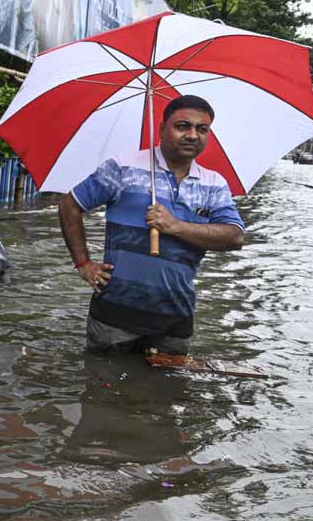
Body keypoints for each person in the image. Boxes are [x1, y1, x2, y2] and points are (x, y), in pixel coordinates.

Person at [58, 95, 245, 355]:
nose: (192, 135)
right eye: (183, 126)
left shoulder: (213, 184)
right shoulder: (123, 167)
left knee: (166, 393)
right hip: (114, 315)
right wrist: (83, 263)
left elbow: (234, 236)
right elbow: (70, 205)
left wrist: (175, 225)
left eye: (202, 129)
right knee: (103, 388)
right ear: (161, 129)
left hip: (175, 316)